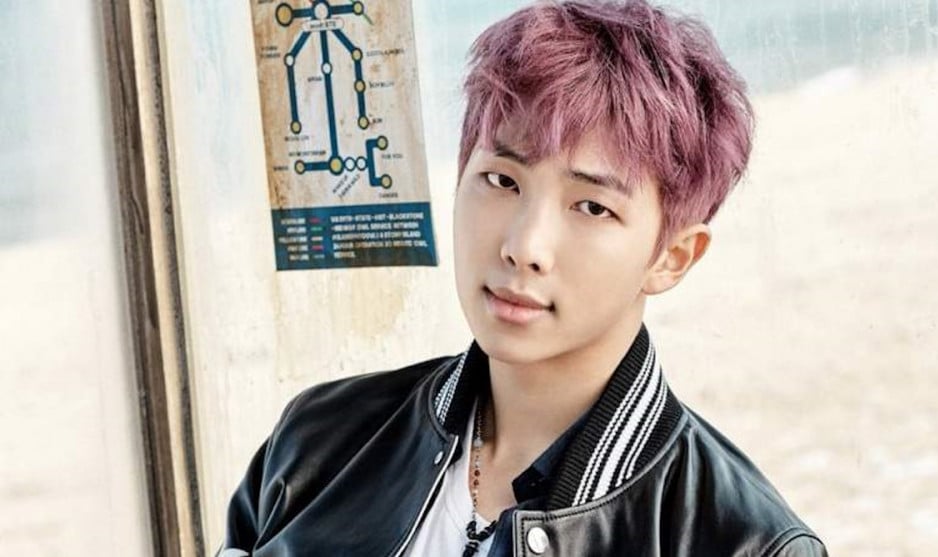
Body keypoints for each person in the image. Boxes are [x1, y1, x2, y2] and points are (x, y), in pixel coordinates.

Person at [218, 1, 827, 555]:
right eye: (502, 181)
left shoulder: (743, 542)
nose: (524, 247)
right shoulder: (316, 441)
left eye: (592, 207)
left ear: (672, 256)